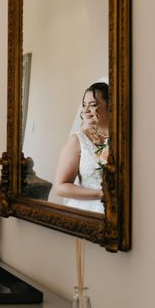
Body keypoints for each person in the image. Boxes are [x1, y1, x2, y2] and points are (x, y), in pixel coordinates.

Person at [53, 81, 109, 213]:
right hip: (88, 211)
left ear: (110, 106)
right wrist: (100, 194)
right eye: (84, 105)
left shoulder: (123, 139)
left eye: (93, 105)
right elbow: (60, 187)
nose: (85, 110)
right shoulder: (78, 140)